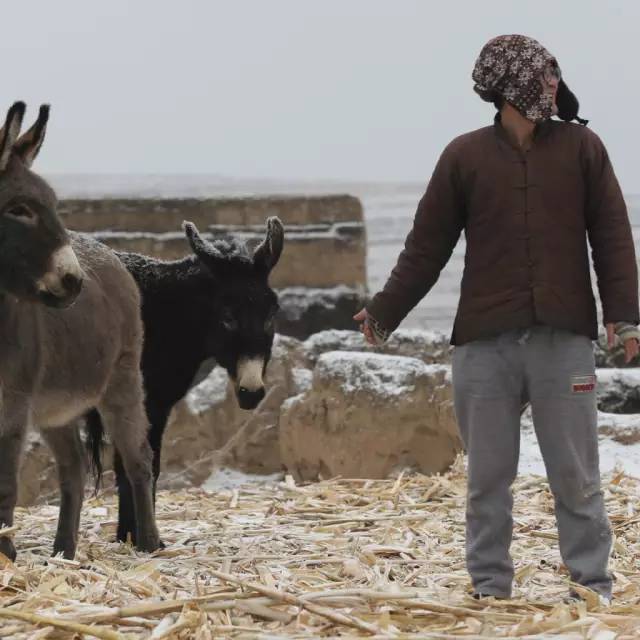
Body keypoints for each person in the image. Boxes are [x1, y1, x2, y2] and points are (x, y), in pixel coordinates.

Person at [355, 34, 640, 603]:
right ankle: (490, 590)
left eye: (556, 74)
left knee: (578, 478)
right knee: (487, 480)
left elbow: (612, 236)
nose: (553, 84)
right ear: (510, 85)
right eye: (543, 75)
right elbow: (426, 247)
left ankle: (593, 586)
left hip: (564, 340)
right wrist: (385, 312)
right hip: (483, 344)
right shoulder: (464, 156)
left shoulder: (584, 150)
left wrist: (625, 319)